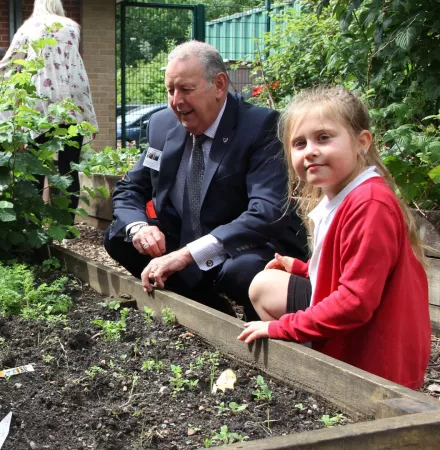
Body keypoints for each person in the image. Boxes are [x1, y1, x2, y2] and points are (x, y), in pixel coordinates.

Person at [237, 87, 430, 389]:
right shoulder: (344, 197)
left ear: (361, 143)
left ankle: (318, 384)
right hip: (364, 346)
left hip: (379, 369)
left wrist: (281, 327)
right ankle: (311, 379)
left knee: (265, 290)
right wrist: (303, 268)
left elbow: (355, 301)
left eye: (324, 138)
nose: (310, 150)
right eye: (299, 143)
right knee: (264, 283)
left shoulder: (369, 204)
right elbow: (350, 269)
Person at [104, 41, 307, 321]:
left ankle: (262, 327)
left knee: (245, 271)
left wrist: (188, 254)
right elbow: (131, 188)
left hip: (245, 246)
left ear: (220, 85)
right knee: (120, 235)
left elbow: (267, 213)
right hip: (186, 236)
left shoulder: (261, 127)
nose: (177, 101)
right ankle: (205, 310)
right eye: (170, 90)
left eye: (186, 89)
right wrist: (139, 228)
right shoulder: (162, 125)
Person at [0, 0, 98, 221]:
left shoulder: (29, 27)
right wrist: (89, 115)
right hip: (72, 102)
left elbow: (10, 63)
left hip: (41, 104)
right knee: (68, 168)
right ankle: (66, 226)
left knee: (35, 166)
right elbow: (75, 67)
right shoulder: (72, 27)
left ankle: (33, 224)